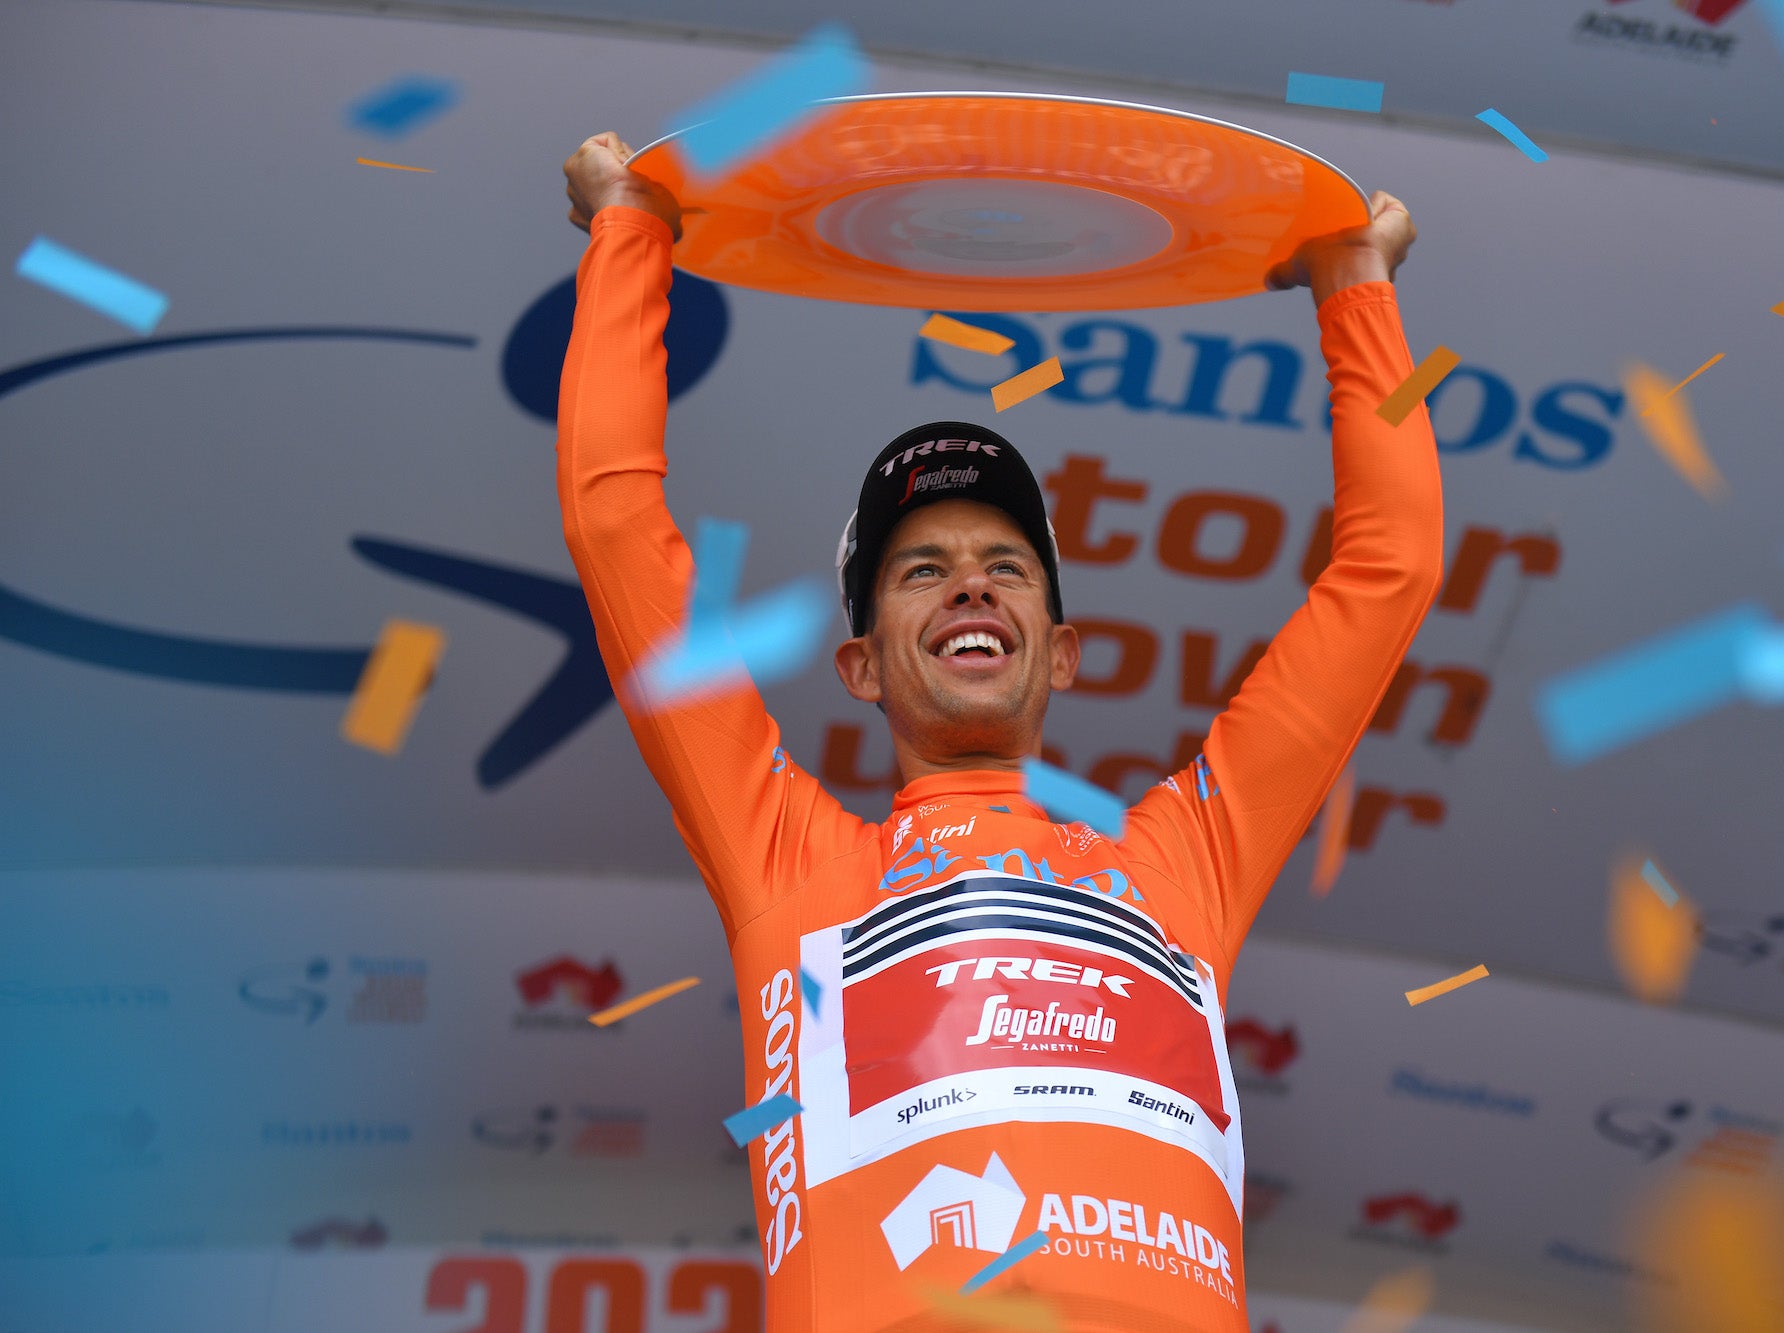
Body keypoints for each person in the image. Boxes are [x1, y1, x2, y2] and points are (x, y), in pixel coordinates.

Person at [558, 129, 1442, 1332]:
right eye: (920, 568)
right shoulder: (789, 861)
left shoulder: (1183, 861)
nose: (969, 585)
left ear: (1062, 651)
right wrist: (627, 231)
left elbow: (1387, 574)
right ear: (859, 665)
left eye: (1004, 566)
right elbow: (619, 532)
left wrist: (1354, 286)